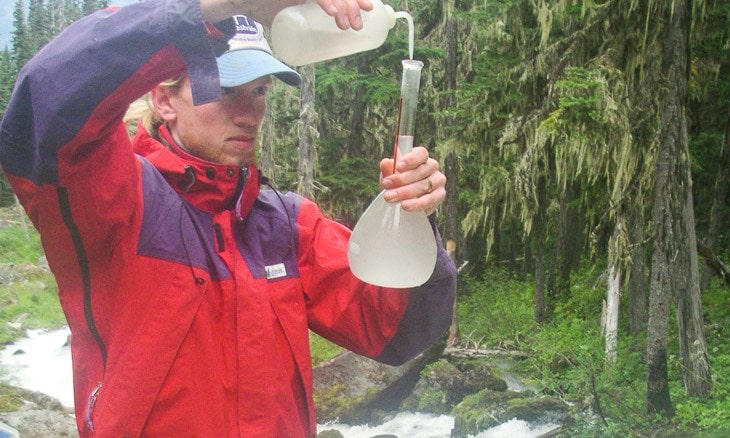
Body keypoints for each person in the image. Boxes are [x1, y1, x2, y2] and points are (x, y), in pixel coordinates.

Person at [0, 0, 457, 436]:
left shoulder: (286, 224)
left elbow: (394, 330)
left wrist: (412, 223)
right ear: (163, 99)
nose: (250, 112)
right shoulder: (113, 197)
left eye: (259, 90)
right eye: (224, 89)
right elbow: (42, 104)